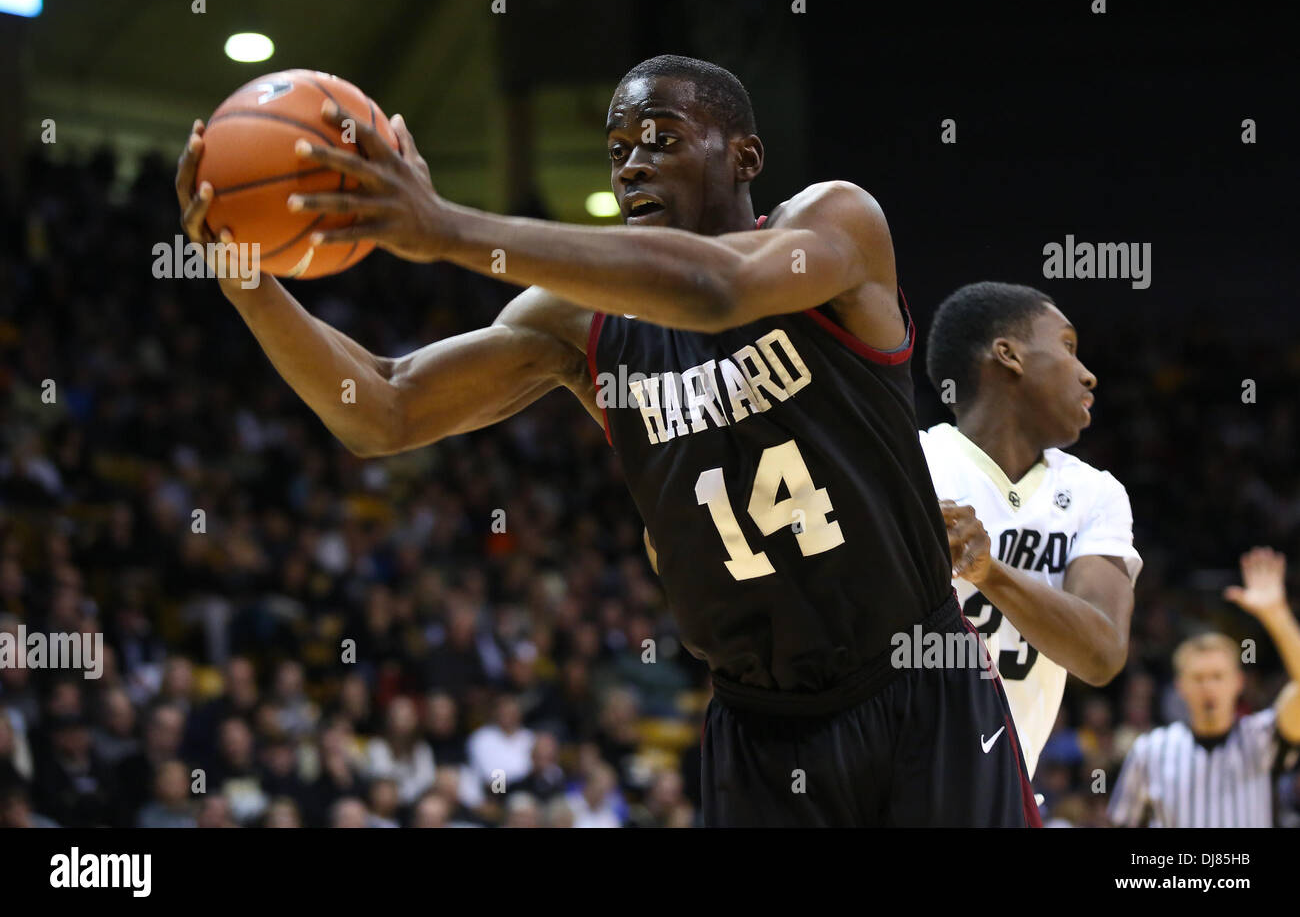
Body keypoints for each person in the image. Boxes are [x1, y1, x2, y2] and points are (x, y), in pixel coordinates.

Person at [176, 54, 1036, 826]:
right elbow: (382, 409)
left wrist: (449, 230)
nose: (631, 162)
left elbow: (718, 289)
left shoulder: (834, 228)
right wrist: (245, 277)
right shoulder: (579, 322)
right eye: (617, 146)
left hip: (918, 686)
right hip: (759, 725)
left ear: (745, 156)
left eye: (661, 136)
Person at [920, 282, 1142, 782]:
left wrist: (988, 573)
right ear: (1009, 354)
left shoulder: (1095, 494)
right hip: (890, 787)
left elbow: (1102, 654)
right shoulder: (911, 467)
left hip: (1006, 795)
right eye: (1067, 346)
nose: (1089, 375)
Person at [1108, 547, 1300, 827]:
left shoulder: (1262, 738)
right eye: (1198, 678)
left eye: (1217, 676)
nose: (1208, 686)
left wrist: (1276, 614)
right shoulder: (1150, 750)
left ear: (1238, 683)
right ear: (1180, 686)